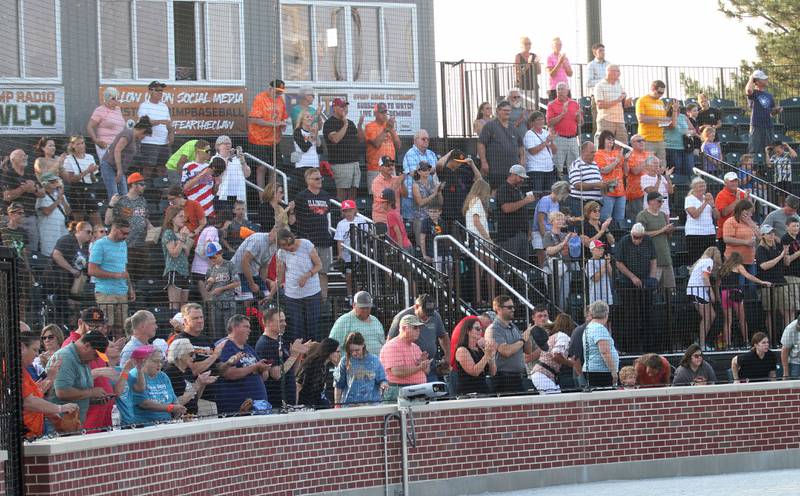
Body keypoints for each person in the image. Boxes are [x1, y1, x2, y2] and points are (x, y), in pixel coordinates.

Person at [20, 331, 79, 439]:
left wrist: (50, 378)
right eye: (34, 350)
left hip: (31, 435)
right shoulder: (10, 369)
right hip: (21, 436)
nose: (37, 354)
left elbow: (34, 395)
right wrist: (60, 408)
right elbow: (28, 402)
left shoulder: (22, 370)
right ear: (22, 347)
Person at [47, 330, 114, 425]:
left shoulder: (83, 359)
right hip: (59, 425)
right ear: (87, 346)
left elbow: (78, 394)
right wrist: (91, 392)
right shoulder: (65, 357)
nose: (95, 359)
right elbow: (62, 392)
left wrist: (94, 400)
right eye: (95, 355)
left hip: (73, 424)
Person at [216, 315, 272, 414]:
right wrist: (254, 367)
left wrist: (263, 369)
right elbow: (229, 374)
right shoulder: (224, 345)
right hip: (238, 408)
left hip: (259, 405)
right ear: (234, 327)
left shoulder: (248, 348)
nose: (249, 330)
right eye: (246, 327)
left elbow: (264, 376)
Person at [387, 294, 451, 383]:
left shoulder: (435, 316)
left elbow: (443, 336)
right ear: (416, 307)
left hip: (429, 364)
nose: (427, 317)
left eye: (430, 314)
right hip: (408, 368)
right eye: (425, 313)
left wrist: (447, 355)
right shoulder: (402, 317)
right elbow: (390, 341)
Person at [255, 308, 311, 408]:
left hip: (289, 400)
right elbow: (276, 374)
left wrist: (298, 354)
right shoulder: (265, 344)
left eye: (284, 320)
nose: (284, 324)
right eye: (280, 321)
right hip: (277, 402)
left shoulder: (281, 341)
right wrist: (293, 355)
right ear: (267, 322)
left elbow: (292, 372)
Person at [614, 223, 657, 352]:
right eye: (635, 237)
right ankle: (631, 348)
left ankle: (648, 347)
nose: (637, 240)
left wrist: (652, 278)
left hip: (645, 283)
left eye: (639, 237)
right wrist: (632, 277)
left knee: (647, 315)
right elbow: (618, 263)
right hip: (627, 284)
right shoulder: (624, 241)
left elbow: (653, 260)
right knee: (631, 316)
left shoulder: (648, 241)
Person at [293, 167, 333, 300]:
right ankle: (310, 299)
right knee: (309, 272)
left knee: (323, 272)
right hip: (308, 241)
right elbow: (295, 220)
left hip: (324, 239)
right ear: (308, 180)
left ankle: (324, 301)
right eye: (316, 178)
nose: (320, 180)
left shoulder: (326, 195)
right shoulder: (301, 197)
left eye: (320, 178)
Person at [88, 218, 134, 333]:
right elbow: (91, 270)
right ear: (115, 229)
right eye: (124, 233)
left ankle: (119, 350)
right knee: (105, 327)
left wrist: (130, 288)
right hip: (105, 292)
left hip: (122, 291)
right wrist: (114, 275)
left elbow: (124, 268)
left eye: (128, 233)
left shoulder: (123, 244)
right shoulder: (99, 245)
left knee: (122, 328)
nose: (126, 236)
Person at [484, 295, 538, 394]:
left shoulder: (514, 327)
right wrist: (522, 340)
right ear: (498, 309)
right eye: (509, 307)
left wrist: (528, 337)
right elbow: (506, 351)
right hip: (502, 379)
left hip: (517, 378)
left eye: (513, 307)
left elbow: (528, 351)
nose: (513, 309)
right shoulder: (494, 329)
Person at [276, 228, 322, 341]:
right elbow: (280, 274)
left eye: (289, 246)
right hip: (292, 295)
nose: (288, 248)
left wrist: (307, 275)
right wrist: (274, 289)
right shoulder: (281, 253)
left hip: (312, 292)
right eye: (284, 246)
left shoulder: (306, 244)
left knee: (312, 325)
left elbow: (319, 265)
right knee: (297, 327)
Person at [719, 251, 771, 349]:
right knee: (742, 319)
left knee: (727, 320)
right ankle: (746, 342)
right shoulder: (738, 266)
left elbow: (718, 282)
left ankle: (728, 344)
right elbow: (748, 276)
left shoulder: (724, 267)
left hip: (724, 293)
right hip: (735, 292)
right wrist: (761, 282)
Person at [128, 346, 187, 425]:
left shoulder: (163, 376)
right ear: (144, 361)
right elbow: (144, 403)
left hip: (167, 423)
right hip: (145, 425)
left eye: (161, 361)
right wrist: (171, 408)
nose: (159, 364)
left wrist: (178, 410)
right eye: (155, 361)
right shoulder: (135, 375)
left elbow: (173, 398)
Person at [1, 148, 45, 252]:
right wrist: (23, 189)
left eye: (25, 155)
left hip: (30, 217)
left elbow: (42, 193)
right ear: (13, 159)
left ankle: (30, 267)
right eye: (21, 156)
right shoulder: (7, 175)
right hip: (13, 219)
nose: (25, 157)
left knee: (32, 247)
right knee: (13, 249)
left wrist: (33, 188)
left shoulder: (30, 173)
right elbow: (7, 196)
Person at [248, 79, 289, 188]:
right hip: (259, 140)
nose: (279, 94)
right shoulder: (260, 98)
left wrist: (283, 124)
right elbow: (253, 119)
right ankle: (262, 197)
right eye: (277, 91)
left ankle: (271, 195)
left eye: (281, 92)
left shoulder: (280, 101)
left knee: (274, 168)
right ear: (270, 89)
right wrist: (273, 124)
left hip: (274, 141)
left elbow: (284, 117)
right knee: (262, 167)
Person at [379, 314, 431, 401]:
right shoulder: (392, 346)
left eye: (419, 328)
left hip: (416, 390)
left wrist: (424, 363)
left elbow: (426, 371)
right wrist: (419, 367)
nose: (418, 331)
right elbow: (397, 372)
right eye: (415, 327)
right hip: (399, 391)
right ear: (403, 328)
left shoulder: (415, 347)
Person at [323, 97, 365, 201]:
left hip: (354, 162)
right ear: (335, 108)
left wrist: (359, 125)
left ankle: (351, 214)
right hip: (341, 163)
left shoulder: (350, 123)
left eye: (346, 106)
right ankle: (340, 214)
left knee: (353, 191)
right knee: (343, 192)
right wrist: (345, 123)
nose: (344, 108)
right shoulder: (330, 123)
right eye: (342, 106)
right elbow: (335, 139)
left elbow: (360, 139)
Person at [100, 117, 153, 199]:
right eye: (145, 135)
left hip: (120, 169)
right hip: (109, 165)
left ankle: (122, 211)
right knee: (114, 194)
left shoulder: (136, 140)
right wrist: (119, 170)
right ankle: (114, 210)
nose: (143, 138)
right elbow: (117, 150)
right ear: (142, 131)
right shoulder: (128, 134)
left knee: (124, 194)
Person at [478, 100, 525, 191]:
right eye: (504, 110)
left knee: (512, 191)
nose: (507, 112)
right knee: (496, 191)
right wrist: (483, 162)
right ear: (498, 111)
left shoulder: (513, 127)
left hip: (512, 169)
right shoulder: (490, 126)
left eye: (509, 110)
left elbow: (520, 145)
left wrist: (522, 159)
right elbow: (481, 144)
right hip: (496, 168)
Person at [163, 338, 217, 416]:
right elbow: (176, 402)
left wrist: (202, 384)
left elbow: (194, 397)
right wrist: (196, 385)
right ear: (180, 355)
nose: (194, 357)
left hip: (192, 415)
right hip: (178, 417)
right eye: (191, 354)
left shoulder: (187, 369)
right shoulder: (171, 372)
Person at [756, 224, 792, 342]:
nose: (772, 235)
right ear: (763, 236)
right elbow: (764, 266)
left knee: (787, 310)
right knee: (770, 312)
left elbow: (786, 263)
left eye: (773, 233)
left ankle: (788, 338)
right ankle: (771, 340)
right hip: (767, 284)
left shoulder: (777, 247)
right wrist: (781, 255)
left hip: (780, 281)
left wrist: (786, 254)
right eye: (769, 233)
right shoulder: (760, 249)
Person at [402, 130, 448, 220]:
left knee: (427, 228)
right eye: (423, 139)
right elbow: (414, 174)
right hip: (412, 198)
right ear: (415, 141)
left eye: (428, 139)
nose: (426, 141)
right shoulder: (409, 154)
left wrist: (426, 169)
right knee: (412, 228)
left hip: (429, 197)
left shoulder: (431, 154)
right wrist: (431, 169)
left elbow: (436, 172)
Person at [495, 164, 536, 264]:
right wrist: (525, 201)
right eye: (520, 177)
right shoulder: (503, 189)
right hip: (509, 235)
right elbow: (506, 208)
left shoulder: (518, 190)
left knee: (523, 267)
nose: (522, 180)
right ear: (512, 175)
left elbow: (522, 212)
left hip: (521, 233)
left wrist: (528, 230)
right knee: (510, 266)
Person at [463, 179, 495, 304]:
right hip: (479, 242)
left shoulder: (472, 201)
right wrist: (487, 238)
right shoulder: (476, 201)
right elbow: (477, 222)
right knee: (486, 271)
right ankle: (487, 299)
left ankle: (482, 299)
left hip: (476, 241)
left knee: (481, 271)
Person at [334, 332, 388, 405]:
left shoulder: (375, 360)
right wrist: (337, 405)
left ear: (363, 345)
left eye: (357, 350)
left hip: (372, 405)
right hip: (349, 406)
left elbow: (382, 380)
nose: (354, 353)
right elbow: (338, 385)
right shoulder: (345, 361)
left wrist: (383, 385)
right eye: (351, 350)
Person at [636, 191, 675, 290]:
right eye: (658, 201)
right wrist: (662, 230)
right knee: (653, 290)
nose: (661, 203)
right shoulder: (642, 215)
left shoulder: (662, 214)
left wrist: (669, 230)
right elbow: (641, 234)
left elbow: (667, 234)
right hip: (652, 260)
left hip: (666, 258)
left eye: (661, 201)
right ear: (650, 202)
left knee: (670, 291)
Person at [136, 81, 174, 178]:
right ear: (150, 91)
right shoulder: (144, 105)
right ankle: (144, 188)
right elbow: (143, 123)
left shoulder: (164, 106)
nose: (160, 92)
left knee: (162, 168)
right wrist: (160, 121)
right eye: (157, 90)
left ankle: (162, 189)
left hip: (163, 143)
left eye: (162, 90)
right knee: (148, 167)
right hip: (149, 142)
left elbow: (168, 123)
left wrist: (171, 135)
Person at [329, 291, 386, 356]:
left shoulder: (375, 321)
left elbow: (383, 343)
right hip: (354, 363)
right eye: (362, 308)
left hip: (378, 362)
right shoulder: (343, 321)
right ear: (354, 305)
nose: (365, 310)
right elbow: (332, 347)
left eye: (368, 307)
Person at [687, 246, 722, 350]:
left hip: (696, 292)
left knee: (711, 315)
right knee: (707, 317)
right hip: (698, 292)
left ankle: (700, 342)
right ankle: (701, 345)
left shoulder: (702, 261)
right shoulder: (708, 261)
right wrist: (711, 293)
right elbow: (705, 277)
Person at [63, 135, 102, 226]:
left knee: (96, 216)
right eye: (78, 144)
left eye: (82, 143)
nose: (81, 146)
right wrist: (87, 171)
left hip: (90, 188)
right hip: (77, 189)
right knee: (79, 222)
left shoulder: (90, 157)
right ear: (72, 145)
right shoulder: (69, 159)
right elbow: (71, 179)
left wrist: (92, 172)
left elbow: (93, 179)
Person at [529, 316, 575, 394]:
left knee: (556, 400)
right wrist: (570, 363)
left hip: (543, 374)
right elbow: (556, 355)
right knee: (556, 401)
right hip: (542, 375)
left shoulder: (555, 335)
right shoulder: (563, 336)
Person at [333, 199, 369, 298]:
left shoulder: (361, 220)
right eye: (346, 211)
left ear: (355, 210)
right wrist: (340, 254)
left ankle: (359, 297)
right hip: (347, 254)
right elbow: (339, 240)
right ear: (343, 212)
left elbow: (368, 235)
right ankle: (350, 295)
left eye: (350, 210)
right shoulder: (341, 224)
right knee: (349, 276)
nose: (348, 213)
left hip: (360, 253)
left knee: (359, 277)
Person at [437, 151, 479, 231]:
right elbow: (439, 164)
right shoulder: (445, 172)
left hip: (461, 214)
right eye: (457, 162)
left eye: (460, 162)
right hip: (448, 215)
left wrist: (472, 165)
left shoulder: (462, 172)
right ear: (452, 160)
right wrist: (450, 153)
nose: (459, 164)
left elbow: (479, 180)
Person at [203, 241, 239, 337]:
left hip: (228, 303)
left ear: (220, 253)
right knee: (217, 334)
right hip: (215, 305)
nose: (212, 259)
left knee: (230, 332)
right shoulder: (210, 269)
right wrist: (210, 283)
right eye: (210, 257)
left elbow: (237, 283)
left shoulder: (230, 265)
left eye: (213, 256)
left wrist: (222, 289)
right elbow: (206, 289)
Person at [454, 317, 497, 395]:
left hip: (483, 390)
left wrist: (492, 356)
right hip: (468, 393)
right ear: (468, 331)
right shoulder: (462, 350)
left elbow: (492, 372)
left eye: (481, 329)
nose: (480, 331)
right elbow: (474, 372)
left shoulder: (479, 349)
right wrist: (487, 356)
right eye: (477, 329)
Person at [543, 211, 577, 309]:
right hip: (550, 269)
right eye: (558, 219)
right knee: (554, 295)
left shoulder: (565, 235)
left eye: (562, 219)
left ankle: (561, 317)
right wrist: (564, 242)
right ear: (552, 221)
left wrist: (575, 242)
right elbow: (549, 251)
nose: (561, 221)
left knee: (564, 296)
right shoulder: (548, 234)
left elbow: (574, 253)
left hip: (566, 267)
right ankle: (553, 316)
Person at [161, 205, 193, 309]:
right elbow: (174, 253)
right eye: (180, 216)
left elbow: (187, 253)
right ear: (172, 218)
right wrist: (182, 240)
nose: (183, 219)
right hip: (174, 270)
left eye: (184, 216)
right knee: (175, 305)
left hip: (185, 271)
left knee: (184, 307)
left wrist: (183, 241)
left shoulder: (180, 233)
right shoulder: (168, 233)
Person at [547, 82, 582, 177]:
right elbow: (549, 123)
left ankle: (573, 185)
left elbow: (580, 123)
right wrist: (562, 114)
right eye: (559, 89)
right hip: (559, 138)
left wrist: (579, 117)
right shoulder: (551, 105)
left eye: (563, 89)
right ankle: (560, 186)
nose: (560, 91)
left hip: (573, 139)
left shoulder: (574, 103)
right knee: (558, 167)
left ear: (567, 91)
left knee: (574, 166)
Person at [231, 229, 277, 301]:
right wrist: (252, 284)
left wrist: (262, 284)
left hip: (253, 273)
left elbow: (264, 267)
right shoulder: (258, 240)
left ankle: (260, 311)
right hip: (237, 272)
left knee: (266, 297)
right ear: (272, 231)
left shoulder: (275, 245)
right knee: (248, 299)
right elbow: (244, 261)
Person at [581, 300, 619, 387]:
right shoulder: (599, 328)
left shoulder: (589, 327)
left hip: (593, 370)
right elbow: (605, 352)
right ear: (606, 314)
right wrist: (613, 371)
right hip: (601, 372)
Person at [635, 81, 673, 164]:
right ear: (652, 89)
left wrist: (666, 121)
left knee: (662, 167)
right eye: (659, 92)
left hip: (660, 139)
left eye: (662, 93)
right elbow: (641, 118)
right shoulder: (642, 100)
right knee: (647, 167)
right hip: (647, 140)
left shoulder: (660, 102)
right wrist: (659, 119)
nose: (661, 95)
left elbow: (661, 120)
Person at [365, 103, 401, 189]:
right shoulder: (370, 126)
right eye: (381, 112)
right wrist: (386, 130)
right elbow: (376, 144)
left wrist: (391, 129)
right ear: (375, 113)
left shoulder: (389, 127)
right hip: (376, 169)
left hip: (390, 168)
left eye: (385, 112)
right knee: (377, 198)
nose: (384, 115)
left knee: (392, 196)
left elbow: (398, 146)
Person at [296, 338, 340, 408]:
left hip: (316, 401)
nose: (339, 354)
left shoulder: (325, 365)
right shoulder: (312, 364)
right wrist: (295, 407)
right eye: (337, 352)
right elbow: (298, 385)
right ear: (329, 351)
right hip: (305, 403)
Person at [745, 70, 781, 155]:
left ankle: (768, 168)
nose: (766, 80)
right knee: (755, 149)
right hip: (756, 125)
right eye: (763, 79)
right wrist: (751, 78)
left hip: (768, 125)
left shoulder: (769, 95)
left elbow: (771, 113)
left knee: (770, 149)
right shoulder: (754, 93)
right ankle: (754, 168)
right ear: (757, 81)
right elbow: (748, 90)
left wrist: (776, 110)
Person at [595, 130, 627, 223]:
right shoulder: (598, 154)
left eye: (612, 140)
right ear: (602, 140)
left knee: (619, 220)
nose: (611, 141)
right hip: (607, 192)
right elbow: (604, 170)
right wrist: (616, 161)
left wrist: (625, 161)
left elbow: (625, 171)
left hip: (621, 192)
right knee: (605, 219)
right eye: (608, 139)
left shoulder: (617, 153)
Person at [566, 141, 605, 219]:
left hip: (595, 204)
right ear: (583, 152)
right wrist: (596, 185)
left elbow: (600, 181)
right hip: (580, 204)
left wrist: (606, 185)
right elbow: (577, 185)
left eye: (595, 152)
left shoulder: (595, 164)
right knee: (582, 226)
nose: (594, 154)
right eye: (592, 152)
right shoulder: (576, 165)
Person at [685, 177, 719, 264]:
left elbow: (717, 216)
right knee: (696, 261)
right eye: (700, 186)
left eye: (704, 186)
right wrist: (705, 203)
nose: (703, 188)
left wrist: (713, 205)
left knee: (710, 260)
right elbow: (695, 215)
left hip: (709, 232)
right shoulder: (689, 199)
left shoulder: (707, 199)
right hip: (694, 234)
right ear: (694, 187)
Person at [86, 87, 125, 162]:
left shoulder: (118, 109)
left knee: (116, 168)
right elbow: (89, 126)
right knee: (106, 167)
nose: (116, 100)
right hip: (105, 145)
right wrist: (96, 140)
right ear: (107, 98)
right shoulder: (100, 110)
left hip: (118, 145)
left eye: (117, 98)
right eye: (113, 98)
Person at [36, 171, 70, 256]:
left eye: (56, 181)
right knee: (49, 254)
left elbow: (68, 211)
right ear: (44, 183)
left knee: (63, 253)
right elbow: (46, 211)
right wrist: (58, 201)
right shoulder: (41, 196)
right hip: (48, 232)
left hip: (62, 229)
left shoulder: (60, 194)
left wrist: (61, 198)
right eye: (52, 181)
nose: (55, 183)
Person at [593, 64, 630, 143]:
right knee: (604, 146)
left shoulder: (619, 86)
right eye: (618, 71)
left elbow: (622, 104)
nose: (619, 74)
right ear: (610, 72)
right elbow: (600, 105)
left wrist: (626, 102)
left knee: (623, 145)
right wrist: (618, 100)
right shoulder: (599, 86)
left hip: (620, 121)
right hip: (606, 120)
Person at [523, 111, 557, 191]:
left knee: (548, 193)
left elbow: (555, 151)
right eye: (538, 120)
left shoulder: (546, 133)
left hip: (549, 168)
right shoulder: (529, 134)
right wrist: (546, 142)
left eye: (542, 119)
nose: (541, 122)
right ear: (532, 122)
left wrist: (551, 141)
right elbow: (532, 151)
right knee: (537, 193)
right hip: (536, 169)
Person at [213, 135, 251, 206]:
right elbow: (220, 170)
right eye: (225, 143)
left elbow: (247, 174)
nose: (228, 146)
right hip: (222, 194)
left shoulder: (237, 159)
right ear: (218, 146)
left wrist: (243, 162)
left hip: (238, 195)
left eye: (229, 143)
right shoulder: (215, 158)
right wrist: (229, 157)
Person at [715, 172, 750, 250]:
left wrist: (748, 200)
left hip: (740, 232)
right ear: (725, 183)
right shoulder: (721, 195)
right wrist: (737, 201)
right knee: (728, 260)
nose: (734, 183)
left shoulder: (741, 193)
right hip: (726, 234)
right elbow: (724, 213)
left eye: (736, 181)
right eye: (731, 181)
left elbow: (751, 212)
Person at [722, 199, 759, 272]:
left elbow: (760, 236)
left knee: (750, 282)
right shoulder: (730, 221)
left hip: (749, 260)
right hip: (735, 261)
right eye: (749, 212)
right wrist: (745, 242)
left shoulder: (749, 221)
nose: (751, 214)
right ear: (743, 211)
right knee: (740, 282)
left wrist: (751, 224)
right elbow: (727, 239)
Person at [181, 140, 215, 217]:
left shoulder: (210, 166)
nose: (209, 153)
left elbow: (212, 190)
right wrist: (202, 174)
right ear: (198, 151)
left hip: (210, 209)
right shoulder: (188, 166)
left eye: (210, 151)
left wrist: (218, 183)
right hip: (194, 208)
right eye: (207, 151)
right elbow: (185, 187)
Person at [411, 160, 443, 241]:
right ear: (419, 171)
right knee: (421, 243)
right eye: (424, 169)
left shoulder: (432, 183)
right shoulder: (416, 185)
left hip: (434, 219)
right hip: (420, 219)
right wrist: (434, 194)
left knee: (436, 241)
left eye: (428, 169)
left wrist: (439, 193)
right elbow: (420, 203)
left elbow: (440, 203)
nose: (427, 171)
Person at [664, 104, 696, 178]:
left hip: (686, 148)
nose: (678, 111)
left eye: (679, 109)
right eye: (675, 109)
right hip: (672, 149)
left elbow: (694, 130)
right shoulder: (665, 118)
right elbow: (673, 125)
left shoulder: (683, 117)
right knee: (676, 172)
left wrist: (689, 132)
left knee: (689, 171)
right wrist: (674, 112)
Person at [624, 135, 650, 221]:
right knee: (639, 218)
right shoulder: (630, 155)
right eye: (639, 141)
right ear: (632, 144)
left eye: (643, 140)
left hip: (649, 191)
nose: (642, 142)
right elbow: (635, 171)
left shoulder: (648, 154)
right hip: (636, 192)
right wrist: (646, 161)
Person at [586, 240, 614, 305]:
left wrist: (608, 263)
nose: (601, 250)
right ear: (592, 250)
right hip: (595, 296)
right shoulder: (589, 263)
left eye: (602, 248)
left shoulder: (604, 261)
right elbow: (595, 279)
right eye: (599, 248)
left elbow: (611, 274)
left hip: (606, 295)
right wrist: (605, 264)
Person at [779, 314, 800, 379]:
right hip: (796, 362)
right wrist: (785, 373)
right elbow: (785, 351)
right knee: (795, 387)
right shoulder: (790, 329)